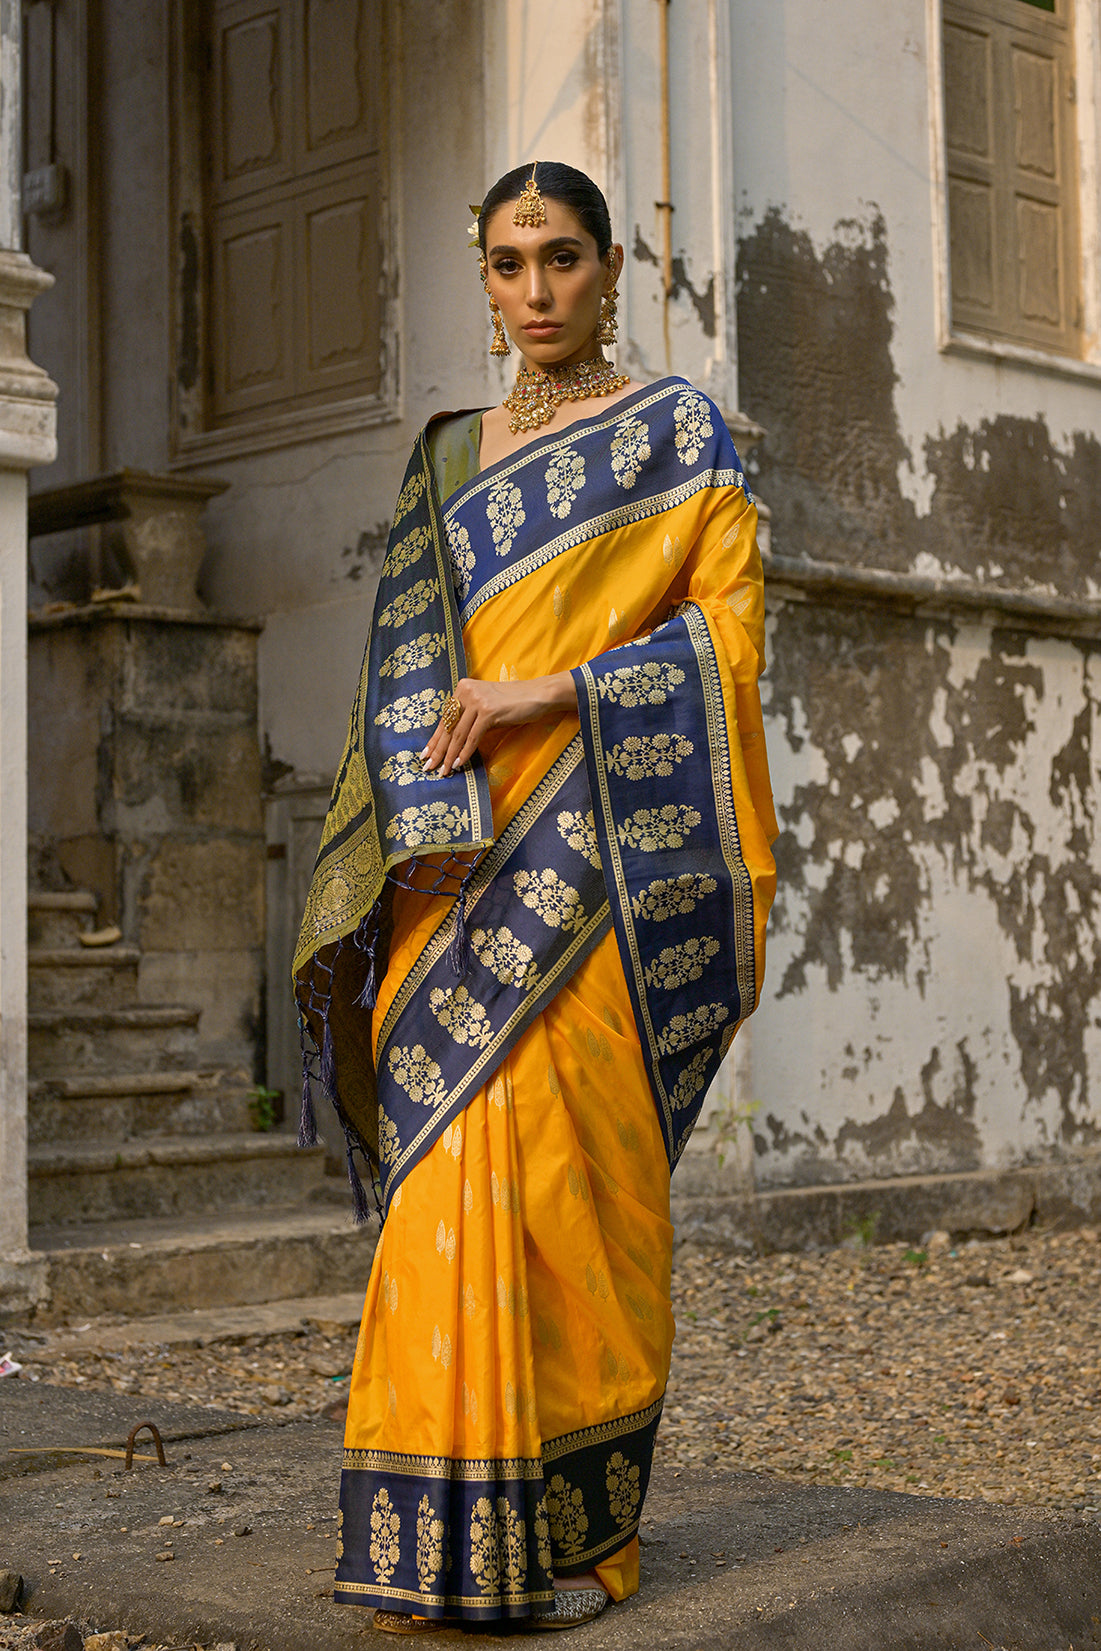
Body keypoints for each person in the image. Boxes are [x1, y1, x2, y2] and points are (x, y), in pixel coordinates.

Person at [294, 160, 777, 1634]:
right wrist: (401, 832)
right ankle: (437, 1539)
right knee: (447, 1189)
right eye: (507, 264)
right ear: (483, 278)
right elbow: (398, 679)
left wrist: (549, 691)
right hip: (456, 876)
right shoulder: (446, 457)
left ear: (611, 267)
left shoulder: (678, 437)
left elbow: (729, 650)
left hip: (601, 873)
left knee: (582, 1207)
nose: (536, 292)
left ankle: (580, 1540)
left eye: (561, 258)